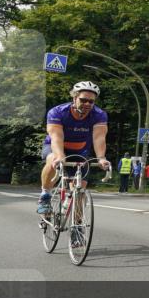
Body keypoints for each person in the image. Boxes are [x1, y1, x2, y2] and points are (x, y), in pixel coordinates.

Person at [38, 81, 111, 216]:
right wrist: (60, 156)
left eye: (91, 101)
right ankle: (45, 195)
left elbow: (99, 137)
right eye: (83, 100)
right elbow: (56, 137)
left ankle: (77, 227)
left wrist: (101, 158)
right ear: (74, 97)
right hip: (56, 146)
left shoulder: (99, 114)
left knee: (80, 190)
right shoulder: (58, 112)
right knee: (53, 159)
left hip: (79, 150)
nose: (87, 104)